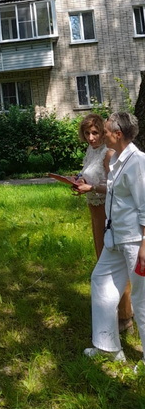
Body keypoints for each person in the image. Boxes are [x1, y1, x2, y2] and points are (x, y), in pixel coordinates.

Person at [82, 112, 145, 364]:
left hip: (134, 241)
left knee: (141, 298)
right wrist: (90, 187)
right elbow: (113, 189)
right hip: (114, 237)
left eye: (105, 131)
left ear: (118, 134)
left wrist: (144, 245)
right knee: (100, 281)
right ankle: (107, 347)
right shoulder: (117, 159)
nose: (102, 135)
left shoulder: (138, 162)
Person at [74, 114, 133, 333]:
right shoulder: (91, 151)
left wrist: (91, 188)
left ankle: (126, 316)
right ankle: (112, 310)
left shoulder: (108, 153)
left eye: (95, 133)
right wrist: (80, 181)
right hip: (94, 211)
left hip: (107, 213)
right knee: (102, 261)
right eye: (87, 133)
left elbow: (114, 187)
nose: (91, 137)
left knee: (114, 263)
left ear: (103, 132)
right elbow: (90, 175)